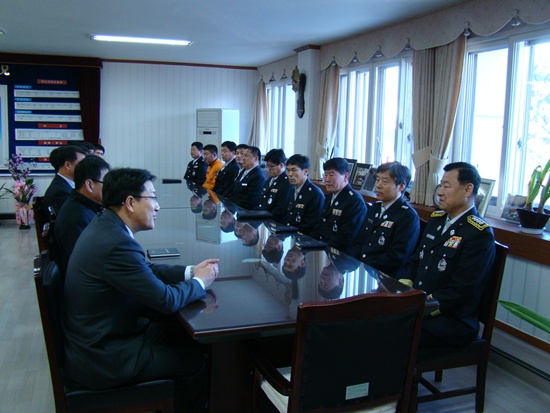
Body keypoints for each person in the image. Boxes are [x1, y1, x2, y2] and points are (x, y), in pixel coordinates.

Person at [63, 168, 219, 413]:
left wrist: (190, 271)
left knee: (190, 338)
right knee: (195, 364)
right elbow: (166, 300)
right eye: (153, 198)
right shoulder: (116, 243)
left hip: (106, 335)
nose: (157, 207)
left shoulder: (106, 226)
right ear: (130, 203)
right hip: (106, 355)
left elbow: (145, 269)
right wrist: (200, 282)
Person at [399, 162, 496, 348]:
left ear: (468, 190)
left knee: (390, 331)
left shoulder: (479, 234)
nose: (440, 192)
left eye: (446, 186)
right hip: (420, 304)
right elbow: (415, 261)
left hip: (451, 318)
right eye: (440, 185)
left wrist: (420, 306)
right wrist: (404, 288)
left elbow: (459, 290)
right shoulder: (437, 221)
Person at [349, 162, 420, 278]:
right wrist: (349, 264)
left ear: (401, 186)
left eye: (385, 181)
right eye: (377, 180)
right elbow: (359, 242)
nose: (378, 185)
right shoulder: (375, 208)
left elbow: (397, 257)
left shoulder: (408, 216)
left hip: (386, 277)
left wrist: (366, 266)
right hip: (362, 271)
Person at [52, 155, 110, 278]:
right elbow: (87, 264)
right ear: (89, 185)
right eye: (106, 183)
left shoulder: (82, 206)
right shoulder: (76, 217)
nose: (109, 189)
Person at [311, 157, 367, 252]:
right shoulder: (329, 197)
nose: (327, 179)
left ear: (345, 177)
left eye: (331, 175)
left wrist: (321, 248)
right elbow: (318, 227)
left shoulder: (354, 201)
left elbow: (345, 238)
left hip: (339, 253)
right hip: (322, 248)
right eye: (325, 175)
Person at [281, 154, 324, 235]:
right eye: (288, 170)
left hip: (303, 238)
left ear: (305, 171)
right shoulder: (291, 190)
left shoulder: (315, 194)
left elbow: (311, 226)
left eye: (294, 170)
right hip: (289, 234)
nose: (290, 174)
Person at [43, 145, 87, 217]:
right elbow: (74, 217)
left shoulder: (63, 184)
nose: (85, 167)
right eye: (82, 163)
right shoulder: (60, 192)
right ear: (68, 165)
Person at [257, 149, 292, 222]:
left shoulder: (287, 183)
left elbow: (279, 210)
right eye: (267, 166)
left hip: (274, 221)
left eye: (271, 166)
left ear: (281, 165)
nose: (268, 169)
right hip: (262, 218)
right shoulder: (270, 180)